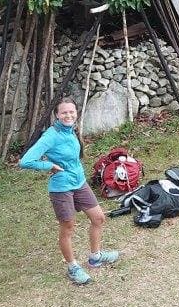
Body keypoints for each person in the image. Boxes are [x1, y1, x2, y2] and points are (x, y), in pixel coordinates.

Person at [19, 98, 119, 286]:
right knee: (68, 227)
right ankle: (73, 267)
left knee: (98, 218)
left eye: (71, 112)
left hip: (79, 182)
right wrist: (49, 165)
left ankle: (95, 257)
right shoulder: (51, 135)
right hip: (61, 188)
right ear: (57, 115)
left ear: (76, 113)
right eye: (64, 112)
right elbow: (25, 161)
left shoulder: (71, 129)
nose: (69, 115)